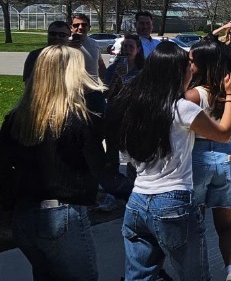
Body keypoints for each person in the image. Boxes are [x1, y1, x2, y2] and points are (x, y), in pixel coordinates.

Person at [106, 41, 231, 280]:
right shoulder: (181, 107)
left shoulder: (138, 104)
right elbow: (224, 134)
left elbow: (126, 156)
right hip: (172, 201)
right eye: (187, 67)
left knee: (139, 276)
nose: (191, 70)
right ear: (177, 72)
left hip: (137, 200)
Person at [0, 45, 132, 281]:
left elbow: (4, 169)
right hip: (61, 216)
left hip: (24, 216)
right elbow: (103, 172)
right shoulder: (79, 119)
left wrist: (9, 208)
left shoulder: (15, 118)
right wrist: (138, 192)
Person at [186, 39, 231, 281]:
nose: (188, 66)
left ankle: (199, 272)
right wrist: (230, 152)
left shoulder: (193, 95)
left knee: (194, 225)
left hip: (197, 155)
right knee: (226, 225)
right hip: (226, 153)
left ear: (202, 64)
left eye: (191, 61)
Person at [71, 12, 107, 83]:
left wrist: (106, 84)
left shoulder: (94, 43)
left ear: (89, 28)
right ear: (71, 28)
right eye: (76, 25)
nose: (80, 27)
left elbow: (101, 66)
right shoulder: (65, 44)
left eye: (84, 25)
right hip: (72, 90)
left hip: (92, 90)